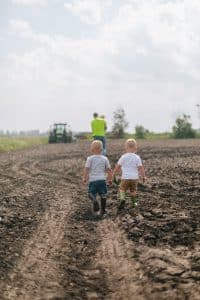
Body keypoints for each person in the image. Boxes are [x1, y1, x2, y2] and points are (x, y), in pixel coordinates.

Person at [112, 138, 146, 210]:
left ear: (126, 147)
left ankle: (123, 199)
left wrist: (114, 173)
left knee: (122, 189)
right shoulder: (137, 157)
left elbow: (118, 166)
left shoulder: (123, 157)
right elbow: (141, 168)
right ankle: (134, 203)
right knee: (133, 191)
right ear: (135, 147)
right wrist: (143, 176)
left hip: (125, 177)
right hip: (134, 178)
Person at [82, 140, 112, 215]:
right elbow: (109, 170)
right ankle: (103, 210)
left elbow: (86, 169)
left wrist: (84, 178)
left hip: (93, 181)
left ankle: (94, 200)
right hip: (102, 180)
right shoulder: (105, 159)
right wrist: (110, 179)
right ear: (102, 150)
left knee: (90, 193)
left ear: (92, 150)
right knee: (103, 195)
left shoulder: (90, 158)